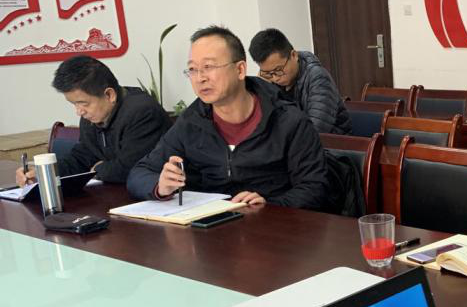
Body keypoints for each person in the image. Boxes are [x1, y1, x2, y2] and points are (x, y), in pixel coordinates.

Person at [127, 26, 330, 210]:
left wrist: (269, 205)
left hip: (274, 228)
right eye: (193, 69)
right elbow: (139, 173)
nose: (200, 78)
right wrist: (160, 186)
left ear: (240, 70)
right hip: (212, 228)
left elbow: (314, 188)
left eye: (209, 67)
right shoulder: (192, 121)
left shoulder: (288, 120)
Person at [16, 55, 171, 187]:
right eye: (74, 104)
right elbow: (82, 157)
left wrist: (98, 169)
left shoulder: (143, 112)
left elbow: (132, 168)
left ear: (109, 95)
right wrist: (45, 172)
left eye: (83, 103)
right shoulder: (92, 116)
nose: (79, 111)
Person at [249, 28, 350, 136]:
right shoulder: (271, 81)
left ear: (294, 55)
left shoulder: (318, 78)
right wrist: (262, 89)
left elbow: (315, 131)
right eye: (268, 73)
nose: (275, 78)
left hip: (335, 144)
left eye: (278, 70)